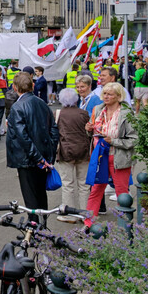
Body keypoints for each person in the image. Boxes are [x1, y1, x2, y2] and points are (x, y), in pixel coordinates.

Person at [84, 83, 137, 228]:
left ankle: (124, 224)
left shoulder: (126, 113)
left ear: (119, 97)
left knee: (121, 191)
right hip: (100, 156)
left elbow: (134, 139)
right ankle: (88, 223)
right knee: (96, 189)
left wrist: (113, 141)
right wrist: (89, 129)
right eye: (105, 94)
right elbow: (93, 131)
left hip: (118, 157)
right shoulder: (98, 109)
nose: (106, 97)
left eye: (110, 94)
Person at [5, 72, 58, 210]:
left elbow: (23, 137)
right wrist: (49, 155)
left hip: (28, 160)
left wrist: (39, 158)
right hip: (42, 157)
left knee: (31, 199)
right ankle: (42, 227)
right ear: (32, 85)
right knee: (41, 195)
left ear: (15, 87)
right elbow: (54, 130)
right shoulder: (42, 103)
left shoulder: (18, 107)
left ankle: (35, 228)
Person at [54, 88, 90, 222]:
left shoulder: (58, 114)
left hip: (65, 151)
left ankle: (68, 214)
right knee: (84, 185)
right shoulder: (84, 113)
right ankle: (84, 214)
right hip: (84, 151)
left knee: (68, 184)